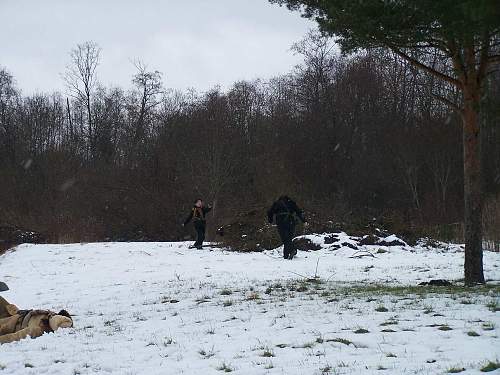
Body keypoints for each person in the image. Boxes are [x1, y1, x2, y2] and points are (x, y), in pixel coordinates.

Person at [0, 296, 73, 344]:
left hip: (11, 323)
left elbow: (14, 337)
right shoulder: (48, 315)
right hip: (15, 314)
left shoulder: (38, 329)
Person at [267, 195, 306, 260]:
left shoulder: (277, 203)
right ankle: (290, 251)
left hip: (280, 222)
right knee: (289, 238)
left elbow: (270, 212)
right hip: (290, 222)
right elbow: (298, 211)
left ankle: (287, 254)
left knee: (285, 239)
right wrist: (303, 220)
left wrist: (270, 221)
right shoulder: (291, 203)